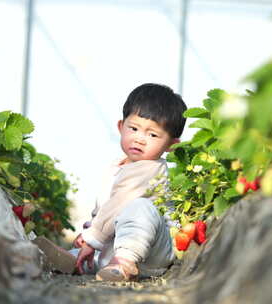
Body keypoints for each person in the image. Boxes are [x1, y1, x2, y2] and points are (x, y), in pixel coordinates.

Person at [34, 83, 187, 281]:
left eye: (152, 135)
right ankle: (74, 262)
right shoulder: (116, 168)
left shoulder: (150, 169)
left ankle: (123, 264)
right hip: (116, 247)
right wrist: (88, 234)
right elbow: (105, 210)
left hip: (152, 254)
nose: (139, 139)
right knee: (96, 250)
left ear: (171, 146)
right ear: (120, 127)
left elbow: (119, 204)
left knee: (139, 207)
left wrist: (92, 239)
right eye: (134, 128)